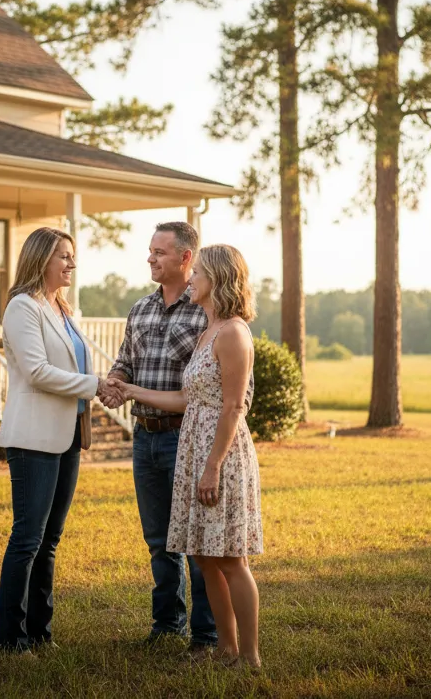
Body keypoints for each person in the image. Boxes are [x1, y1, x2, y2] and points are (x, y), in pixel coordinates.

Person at [113, 244, 263, 668]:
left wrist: (212, 467)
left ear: (218, 279)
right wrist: (131, 390)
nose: (191, 278)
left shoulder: (233, 333)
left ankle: (249, 656)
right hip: (194, 449)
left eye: (197, 272)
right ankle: (226, 650)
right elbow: (186, 398)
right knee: (205, 556)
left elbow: (233, 407)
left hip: (220, 454)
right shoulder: (208, 331)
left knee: (230, 558)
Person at [0, 226, 117, 653]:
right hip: (33, 438)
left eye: (72, 255)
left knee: (49, 541)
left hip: (67, 437)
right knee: (28, 539)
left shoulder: (61, 308)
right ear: (40, 259)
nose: (72, 263)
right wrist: (95, 385)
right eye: (64, 256)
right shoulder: (22, 307)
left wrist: (104, 382)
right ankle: (10, 639)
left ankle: (40, 634)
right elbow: (37, 372)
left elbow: (73, 365)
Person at [98, 221, 218, 654]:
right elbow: (125, 361)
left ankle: (206, 634)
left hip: (185, 438)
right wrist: (115, 382)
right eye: (150, 251)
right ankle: (167, 625)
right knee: (159, 541)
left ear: (186, 258)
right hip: (144, 439)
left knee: (196, 541)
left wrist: (128, 387)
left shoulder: (204, 310)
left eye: (159, 252)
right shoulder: (140, 308)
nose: (150, 258)